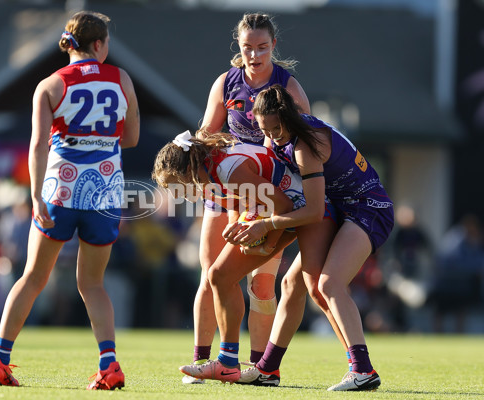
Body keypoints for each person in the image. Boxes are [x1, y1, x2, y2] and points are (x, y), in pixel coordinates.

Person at [0, 11, 139, 390]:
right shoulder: (121, 78)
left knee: (34, 277)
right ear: (99, 44)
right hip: (103, 192)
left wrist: (36, 196)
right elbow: (131, 138)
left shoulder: (50, 85)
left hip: (60, 191)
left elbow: (37, 145)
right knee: (93, 285)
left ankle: (0, 360)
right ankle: (109, 364)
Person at [219, 84, 394, 391]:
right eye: (265, 129)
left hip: (368, 208)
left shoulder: (306, 146)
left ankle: (363, 370)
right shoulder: (277, 137)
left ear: (290, 117)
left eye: (277, 127)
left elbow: (312, 212)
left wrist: (265, 226)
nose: (273, 135)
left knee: (328, 284)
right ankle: (267, 370)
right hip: (341, 210)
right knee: (291, 284)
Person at [182, 12, 312, 384]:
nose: (254, 55)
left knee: (260, 283)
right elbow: (207, 131)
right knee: (210, 274)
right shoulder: (226, 83)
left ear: (273, 46)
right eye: (247, 48)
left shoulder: (288, 86)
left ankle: (260, 367)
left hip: (269, 192)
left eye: (262, 48)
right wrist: (191, 152)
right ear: (238, 48)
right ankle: (203, 360)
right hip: (228, 188)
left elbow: (310, 136)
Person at [153, 130, 340, 385]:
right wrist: (240, 224)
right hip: (276, 209)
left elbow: (284, 204)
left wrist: (268, 243)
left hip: (300, 209)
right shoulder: (213, 167)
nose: (176, 193)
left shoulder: (228, 170)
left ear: (187, 169)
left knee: (225, 276)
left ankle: (229, 363)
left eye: (174, 184)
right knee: (219, 276)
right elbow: (243, 200)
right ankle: (229, 362)